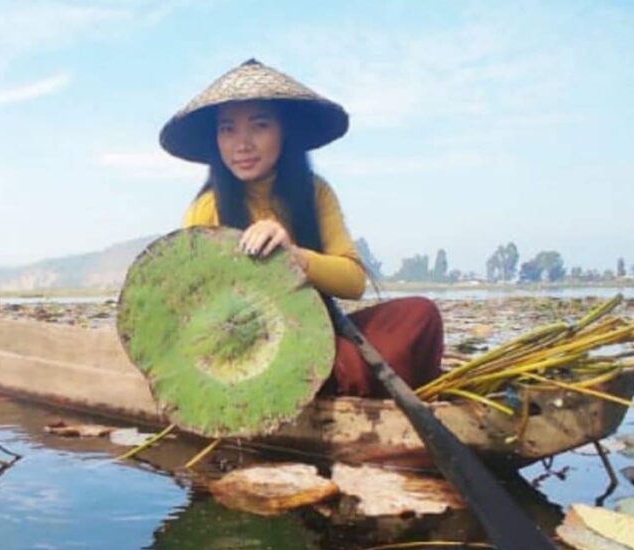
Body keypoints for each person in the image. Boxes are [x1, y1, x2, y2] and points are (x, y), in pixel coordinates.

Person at [159, 58, 443, 398]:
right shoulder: (207, 208)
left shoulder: (315, 193)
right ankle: (339, 384)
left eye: (259, 125)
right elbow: (185, 310)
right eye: (227, 129)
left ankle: (337, 380)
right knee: (347, 365)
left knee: (419, 315)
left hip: (318, 337)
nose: (242, 143)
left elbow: (353, 282)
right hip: (249, 354)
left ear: (285, 132)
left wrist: (294, 257)